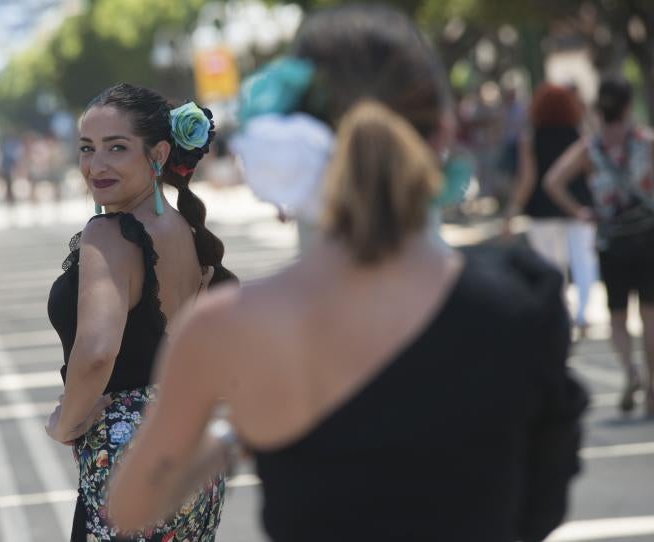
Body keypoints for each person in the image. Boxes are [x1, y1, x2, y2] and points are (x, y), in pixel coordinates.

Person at [107, 5, 587, 541]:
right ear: (442, 134)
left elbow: (132, 507)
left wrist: (229, 437)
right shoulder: (524, 300)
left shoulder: (230, 329)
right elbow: (543, 506)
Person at [45, 82, 235, 542]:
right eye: (87, 148)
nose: (96, 164)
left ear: (159, 154)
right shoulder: (185, 229)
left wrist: (66, 424)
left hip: (127, 466)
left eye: (117, 148)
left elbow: (96, 351)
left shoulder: (111, 234)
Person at [545, 75, 654, 417]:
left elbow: (553, 181)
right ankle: (652, 385)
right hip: (648, 236)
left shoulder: (589, 148)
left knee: (618, 317)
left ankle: (631, 370)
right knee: (650, 315)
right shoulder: (645, 141)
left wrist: (582, 211)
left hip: (611, 239)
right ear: (627, 106)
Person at [504, 83, 598, 334]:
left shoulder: (531, 138)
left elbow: (527, 178)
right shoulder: (579, 135)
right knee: (584, 260)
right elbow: (592, 172)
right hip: (579, 206)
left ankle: (562, 312)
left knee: (551, 265)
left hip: (542, 210)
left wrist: (512, 211)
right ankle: (583, 314)